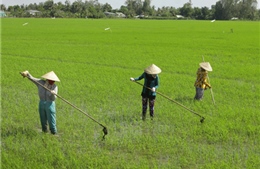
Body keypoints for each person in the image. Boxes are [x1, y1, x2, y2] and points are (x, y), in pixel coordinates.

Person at [20, 70, 60, 135]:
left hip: (50, 104)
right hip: (41, 103)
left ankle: (54, 133)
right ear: (48, 79)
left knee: (51, 120)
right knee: (43, 119)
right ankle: (44, 132)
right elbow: (32, 79)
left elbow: (53, 99)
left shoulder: (55, 87)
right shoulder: (40, 82)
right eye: (51, 80)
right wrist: (27, 74)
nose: (53, 82)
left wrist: (53, 93)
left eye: (54, 81)